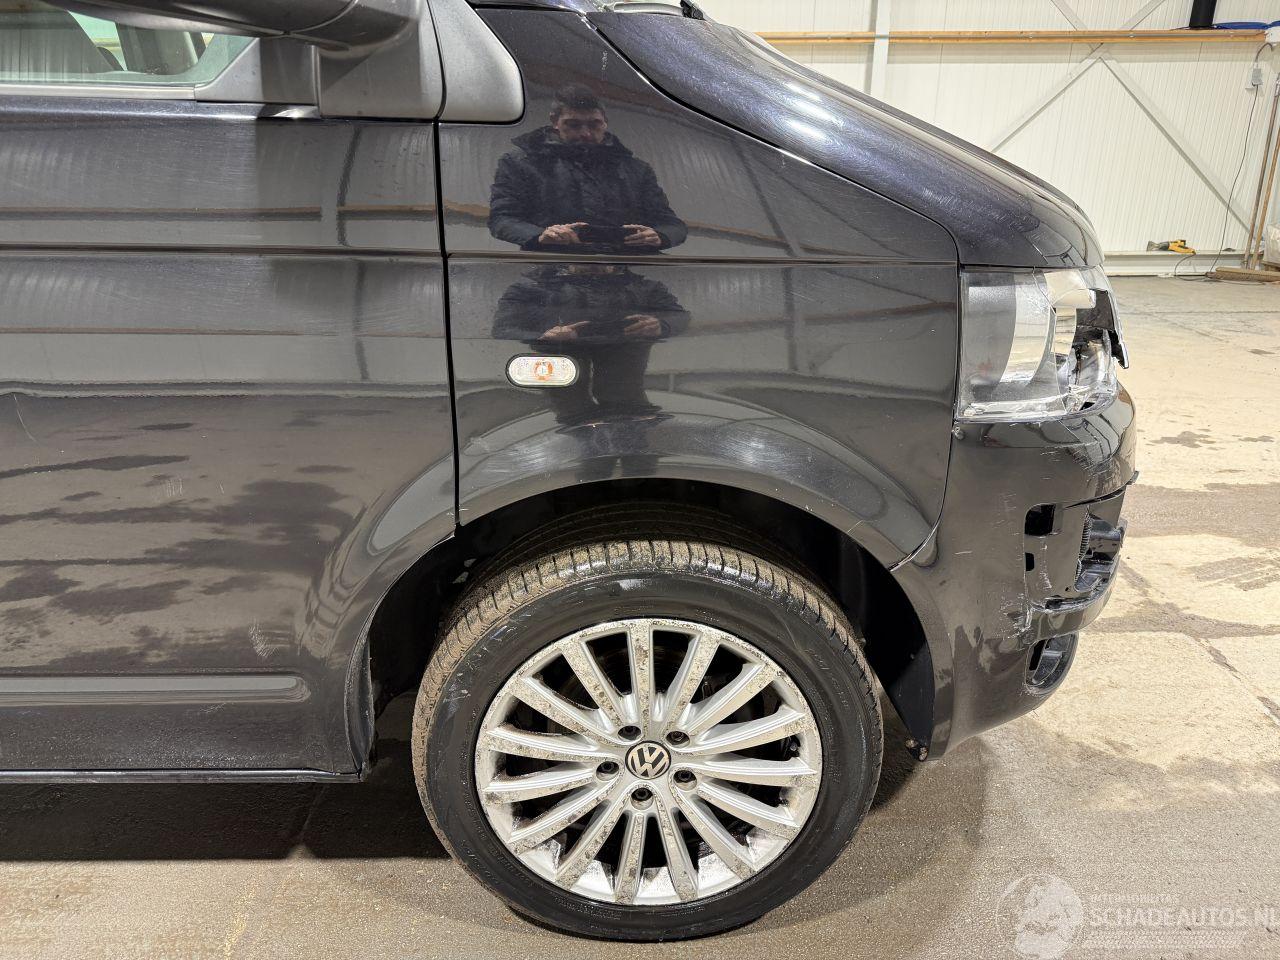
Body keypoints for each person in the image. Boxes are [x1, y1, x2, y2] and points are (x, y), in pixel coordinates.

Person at [488, 84, 688, 253]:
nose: (585, 133)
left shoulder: (637, 170)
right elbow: (502, 219)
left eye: (594, 125)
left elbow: (672, 224)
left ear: (605, 123)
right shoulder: (519, 163)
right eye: (574, 125)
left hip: (621, 272)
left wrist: (659, 236)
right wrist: (540, 235)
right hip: (550, 270)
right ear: (554, 122)